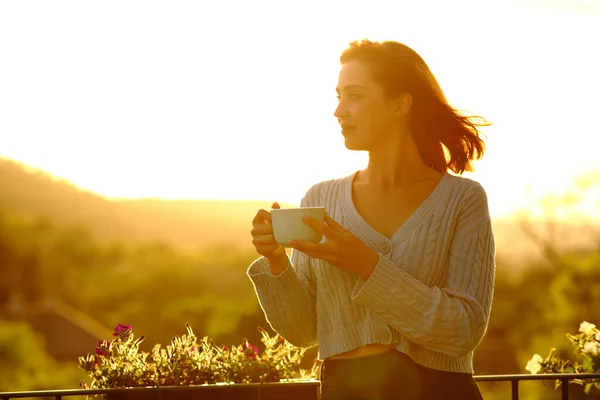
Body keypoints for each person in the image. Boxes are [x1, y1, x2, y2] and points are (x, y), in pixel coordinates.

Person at [247, 39, 495, 400]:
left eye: (355, 95)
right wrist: (276, 261)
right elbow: (302, 332)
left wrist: (366, 263)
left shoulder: (462, 199)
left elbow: (463, 330)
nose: (339, 111)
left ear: (400, 103)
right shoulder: (321, 199)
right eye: (338, 97)